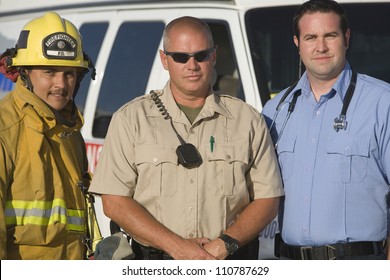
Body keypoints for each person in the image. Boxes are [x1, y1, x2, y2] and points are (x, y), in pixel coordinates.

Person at [89, 16, 284, 260]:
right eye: (181, 57)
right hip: (153, 262)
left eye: (201, 55)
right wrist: (177, 247)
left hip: (226, 262)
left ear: (214, 56)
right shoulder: (130, 119)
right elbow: (115, 202)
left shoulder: (247, 120)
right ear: (165, 60)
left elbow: (268, 198)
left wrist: (222, 246)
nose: (192, 65)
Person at [262, 0, 390, 260]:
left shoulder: (382, 102)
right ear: (297, 43)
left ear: (346, 37)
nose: (320, 47)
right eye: (311, 37)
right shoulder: (275, 110)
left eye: (330, 35)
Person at [0, 12, 96, 259]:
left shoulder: (70, 133)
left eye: (69, 73)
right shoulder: (5, 129)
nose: (61, 85)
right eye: (49, 72)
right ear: (25, 73)